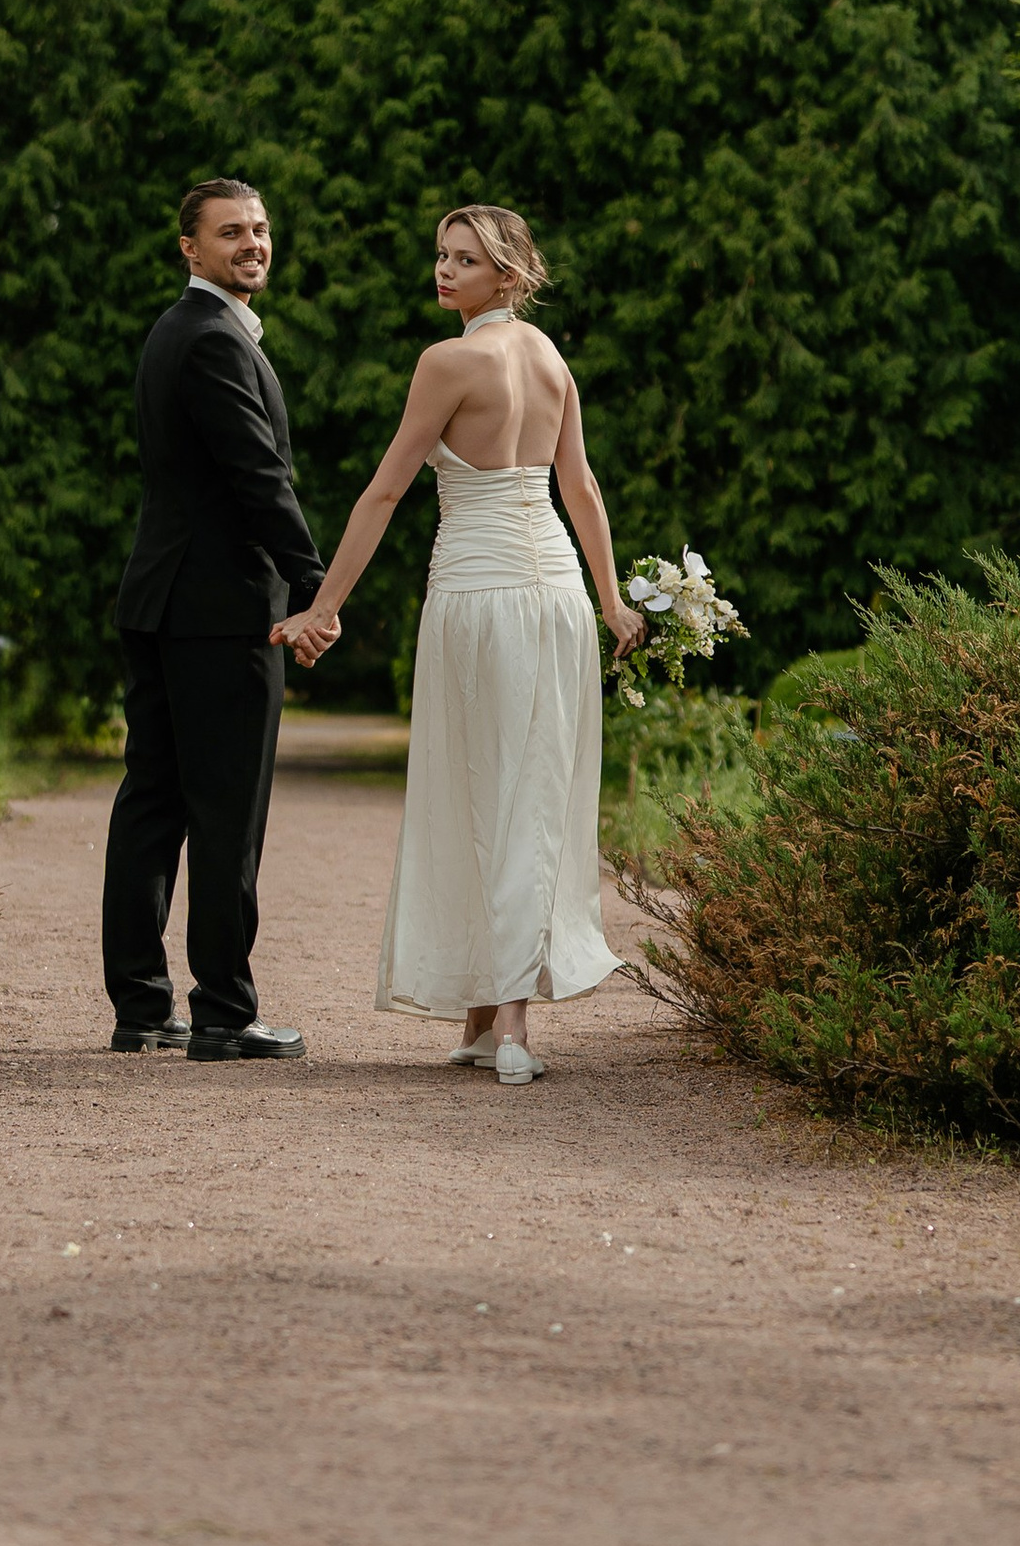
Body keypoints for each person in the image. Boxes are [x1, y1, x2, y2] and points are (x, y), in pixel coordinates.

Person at [276, 205, 640, 1084]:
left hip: (481, 596)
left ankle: (511, 1024)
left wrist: (323, 608)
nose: (444, 271)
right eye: (442, 256)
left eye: (465, 261)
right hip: (555, 595)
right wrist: (612, 600)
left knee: (490, 792)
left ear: (507, 277)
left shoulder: (447, 361)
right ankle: (484, 1015)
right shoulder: (550, 358)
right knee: (528, 789)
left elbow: (383, 493)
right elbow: (580, 489)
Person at [105, 177, 322, 1062]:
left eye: (261, 229)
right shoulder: (213, 342)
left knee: (152, 805)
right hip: (220, 610)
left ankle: (143, 1008)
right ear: (190, 248)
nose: (253, 243)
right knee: (227, 813)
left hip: (163, 600)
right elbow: (259, 479)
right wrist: (314, 588)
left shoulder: (179, 330)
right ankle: (226, 1013)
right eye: (231, 232)